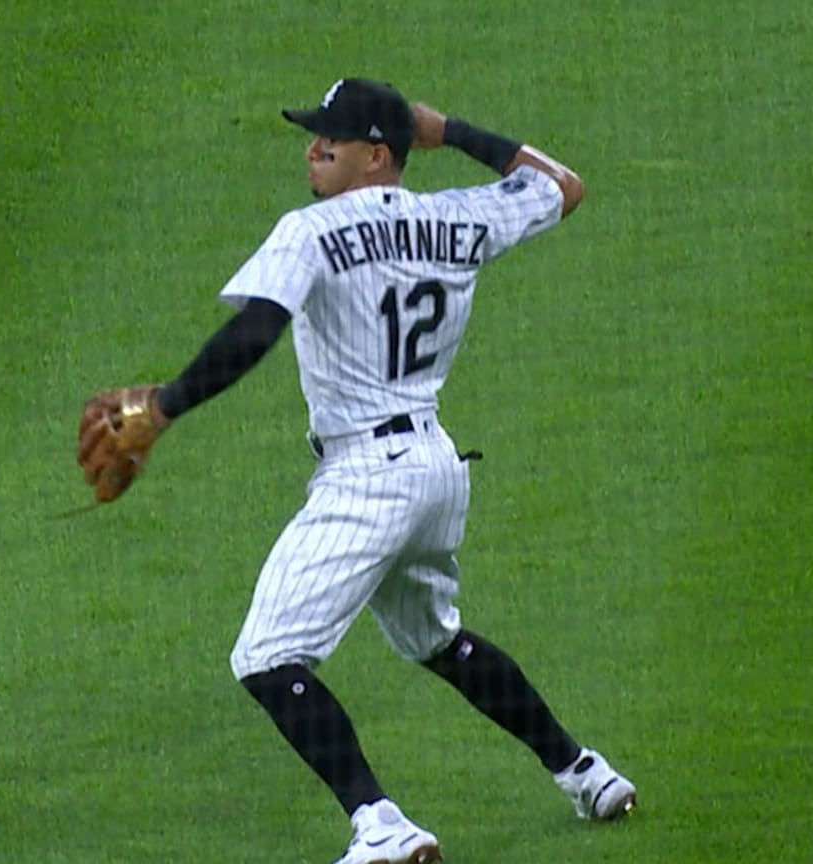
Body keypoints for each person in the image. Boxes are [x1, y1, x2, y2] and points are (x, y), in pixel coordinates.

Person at [104, 78, 635, 864]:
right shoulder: (456, 215)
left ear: (376, 154)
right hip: (436, 469)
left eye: (333, 138)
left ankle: (381, 825)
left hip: (366, 476)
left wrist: (164, 406)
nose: (315, 148)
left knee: (266, 656)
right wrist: (449, 129)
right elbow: (561, 185)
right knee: (436, 641)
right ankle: (585, 773)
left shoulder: (311, 231)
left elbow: (256, 330)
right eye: (314, 135)